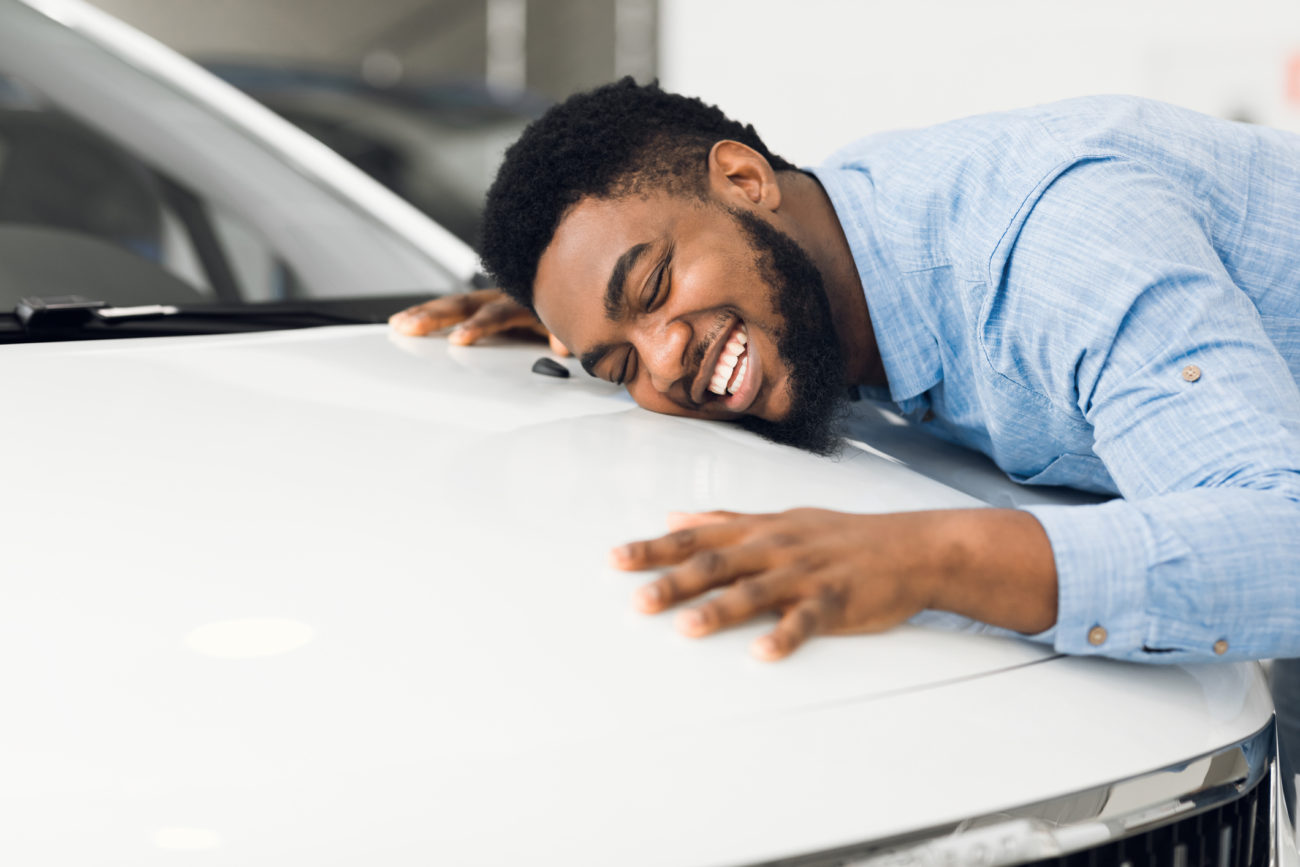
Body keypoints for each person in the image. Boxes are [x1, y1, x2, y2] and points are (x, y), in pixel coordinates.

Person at [390, 79, 1300, 673]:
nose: (666, 358)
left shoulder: (1058, 247)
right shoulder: (816, 248)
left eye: (655, 286)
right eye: (622, 360)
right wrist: (593, 320)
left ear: (745, 179)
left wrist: (929, 555)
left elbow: (1282, 541)